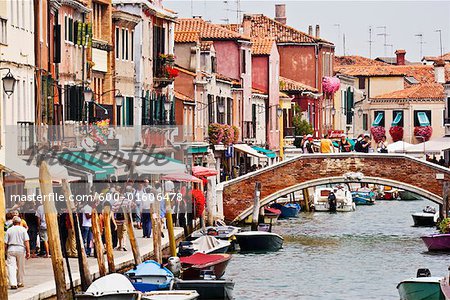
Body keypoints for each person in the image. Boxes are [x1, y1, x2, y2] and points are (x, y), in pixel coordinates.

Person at [5, 216, 30, 289]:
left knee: (11, 266)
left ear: (13, 222)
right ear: (20, 222)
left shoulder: (9, 230)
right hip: (21, 249)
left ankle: (13, 283)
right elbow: (26, 241)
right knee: (21, 267)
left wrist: (4, 251)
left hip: (11, 248)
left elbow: (5, 243)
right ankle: (20, 282)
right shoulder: (23, 230)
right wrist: (28, 251)